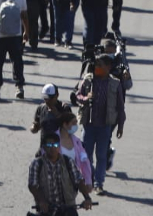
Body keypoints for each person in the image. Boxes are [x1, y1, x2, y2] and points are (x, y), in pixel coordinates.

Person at [74, 54, 126, 195]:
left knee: (101, 156)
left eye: (100, 65)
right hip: (89, 125)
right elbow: (77, 96)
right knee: (86, 155)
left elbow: (120, 106)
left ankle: (99, 183)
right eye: (96, 65)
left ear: (108, 67)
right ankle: (88, 179)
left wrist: (120, 125)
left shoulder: (115, 83)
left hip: (105, 126)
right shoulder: (88, 80)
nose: (97, 68)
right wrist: (85, 98)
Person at [27, 131, 94, 214]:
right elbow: (33, 185)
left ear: (59, 146)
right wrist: (42, 201)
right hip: (47, 209)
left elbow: (78, 180)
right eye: (49, 145)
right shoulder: (37, 164)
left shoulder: (68, 161)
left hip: (68, 207)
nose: (52, 148)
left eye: (55, 145)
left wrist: (87, 198)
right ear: (43, 148)